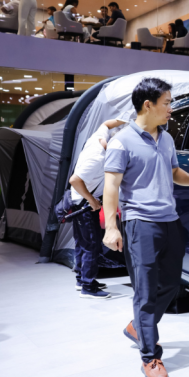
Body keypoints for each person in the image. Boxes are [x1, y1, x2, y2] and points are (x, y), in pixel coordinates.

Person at [103, 78, 189, 377]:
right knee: (145, 290)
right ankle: (150, 356)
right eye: (167, 103)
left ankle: (138, 326)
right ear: (148, 105)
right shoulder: (121, 142)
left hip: (170, 220)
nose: (171, 109)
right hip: (140, 223)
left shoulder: (165, 138)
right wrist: (111, 227)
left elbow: (173, 171)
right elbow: (111, 186)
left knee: (169, 284)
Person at [69, 118, 127, 298]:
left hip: (78, 202)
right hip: (84, 205)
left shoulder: (99, 136)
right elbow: (74, 180)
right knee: (92, 245)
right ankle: (88, 287)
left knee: (82, 243)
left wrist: (128, 121)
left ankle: (81, 280)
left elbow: (106, 124)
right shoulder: (97, 157)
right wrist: (92, 201)